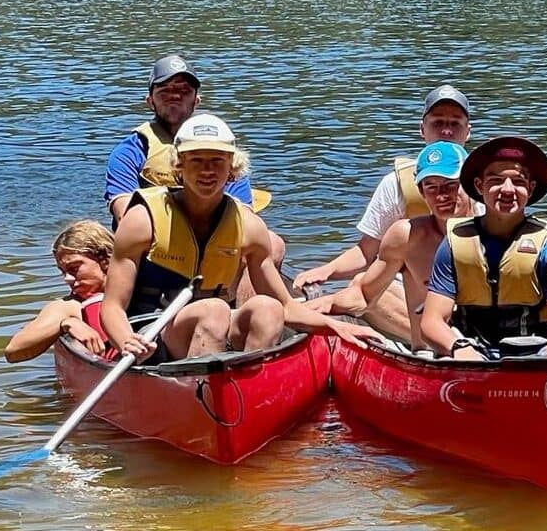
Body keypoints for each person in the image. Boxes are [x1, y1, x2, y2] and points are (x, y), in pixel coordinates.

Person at [100, 114, 370, 362]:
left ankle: (248, 389)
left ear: (232, 168)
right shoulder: (142, 220)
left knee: (268, 308)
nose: (207, 170)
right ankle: (198, 394)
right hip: (153, 332)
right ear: (179, 165)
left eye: (217, 160)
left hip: (217, 324)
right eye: (196, 160)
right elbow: (111, 307)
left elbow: (288, 307)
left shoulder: (249, 226)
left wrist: (335, 325)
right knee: (213, 310)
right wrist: (126, 340)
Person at [292, 84, 474, 339]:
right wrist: (327, 271)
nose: (446, 130)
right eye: (438, 122)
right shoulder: (398, 191)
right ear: (423, 129)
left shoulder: (488, 185)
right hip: (414, 295)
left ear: (468, 131)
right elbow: (368, 250)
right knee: (365, 284)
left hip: (471, 301)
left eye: (455, 123)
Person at [422, 137, 547, 358]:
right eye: (496, 180)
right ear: (479, 186)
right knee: (445, 357)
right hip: (470, 353)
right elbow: (431, 321)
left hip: (534, 354)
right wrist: (458, 347)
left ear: (530, 189)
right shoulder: (454, 244)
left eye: (518, 182)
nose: (508, 190)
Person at [305, 142, 474, 350]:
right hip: (431, 356)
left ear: (470, 184)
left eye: (451, 185)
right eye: (431, 187)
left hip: (487, 351)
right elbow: (364, 295)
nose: (441, 196)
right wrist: (311, 308)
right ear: (421, 193)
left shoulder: (494, 232)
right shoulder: (406, 237)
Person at [104, 53, 262, 222]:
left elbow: (244, 214)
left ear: (196, 101)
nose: (175, 96)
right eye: (165, 90)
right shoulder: (129, 152)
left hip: (212, 237)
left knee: (274, 245)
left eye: (184, 91)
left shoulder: (221, 148)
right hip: (152, 240)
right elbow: (124, 214)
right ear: (150, 102)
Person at [4, 221, 117, 362]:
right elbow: (13, 352)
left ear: (105, 260)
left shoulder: (143, 287)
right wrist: (66, 323)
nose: (67, 279)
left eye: (74, 268)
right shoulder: (69, 306)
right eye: (63, 272)